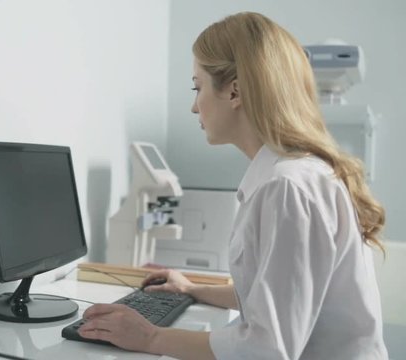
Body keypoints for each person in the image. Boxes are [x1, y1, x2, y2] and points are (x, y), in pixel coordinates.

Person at [78, 11, 388, 360]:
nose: (195, 106)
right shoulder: (293, 175)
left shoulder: (286, 187)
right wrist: (191, 289)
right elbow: (270, 294)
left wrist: (149, 337)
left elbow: (266, 349)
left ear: (235, 91)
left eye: (198, 87)